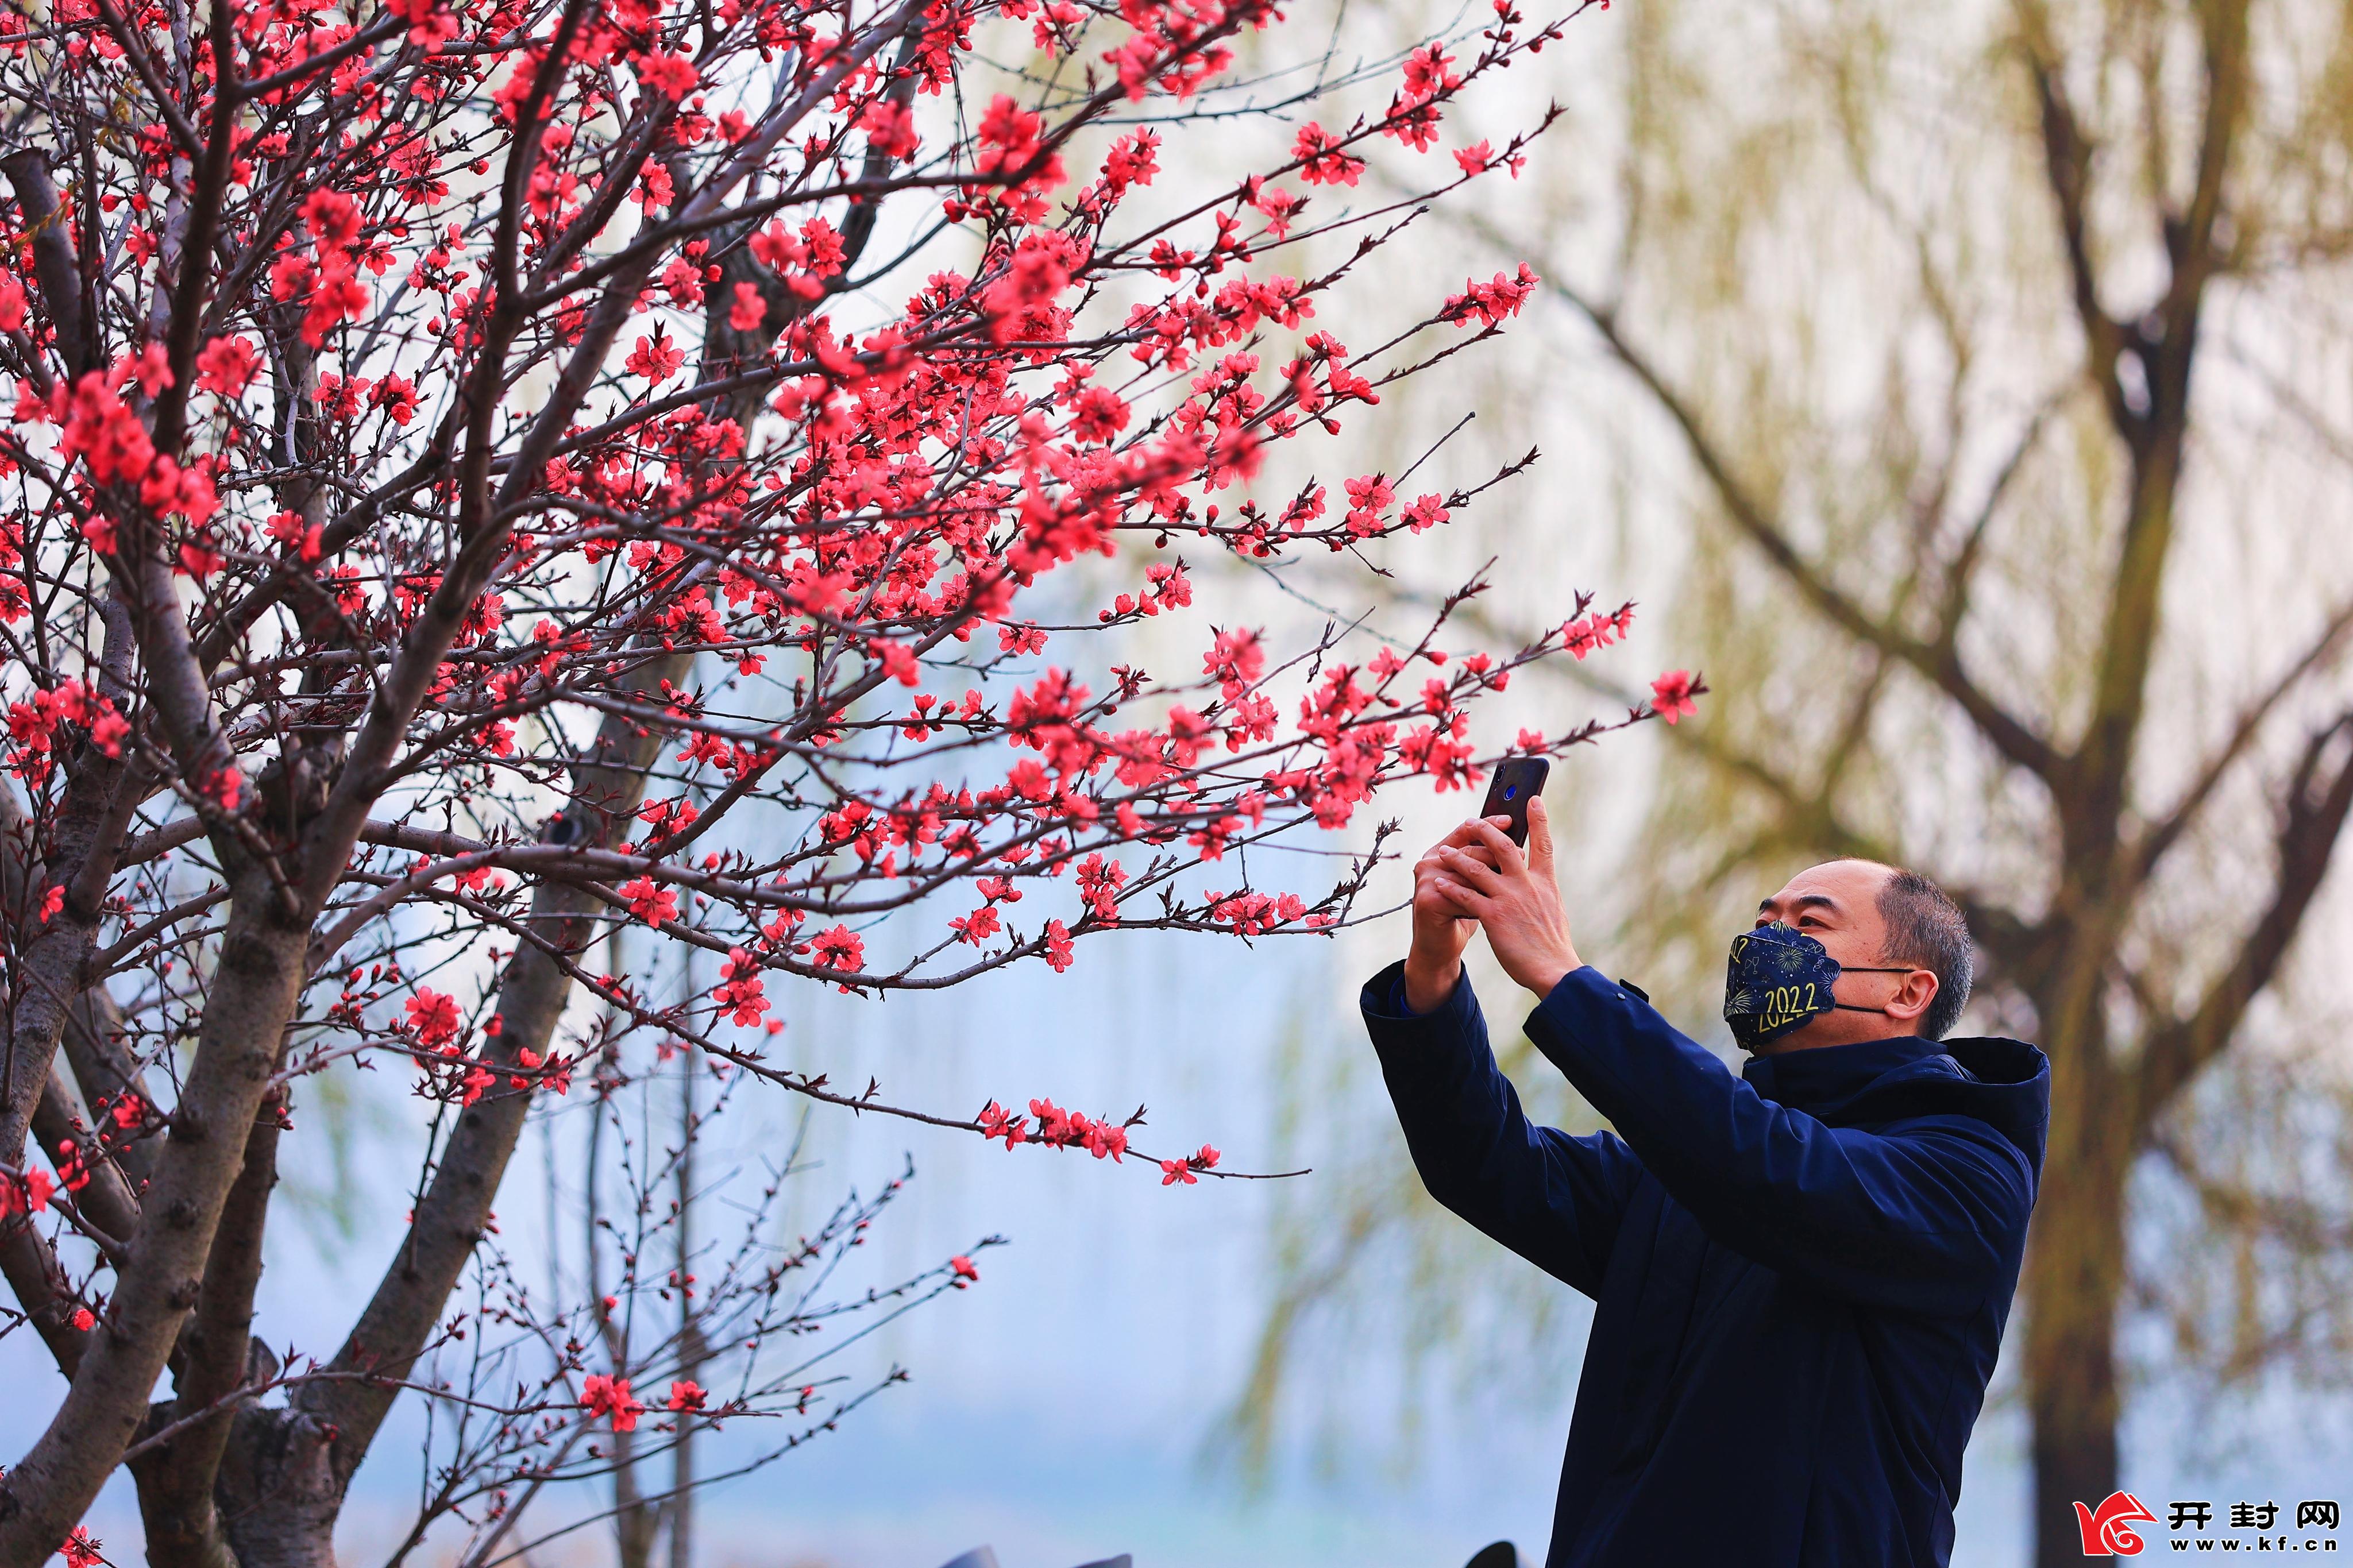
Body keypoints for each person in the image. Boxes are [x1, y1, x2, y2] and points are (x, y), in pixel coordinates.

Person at [1365, 799, 2049, 1567]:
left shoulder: (1968, 1172)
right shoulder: (1692, 1168)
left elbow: (1769, 1167)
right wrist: (1433, 976)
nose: (1767, 941)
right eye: (1764, 920)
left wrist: (1563, 977)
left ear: (1907, 990)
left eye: (1809, 924)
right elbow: (1486, 1163)